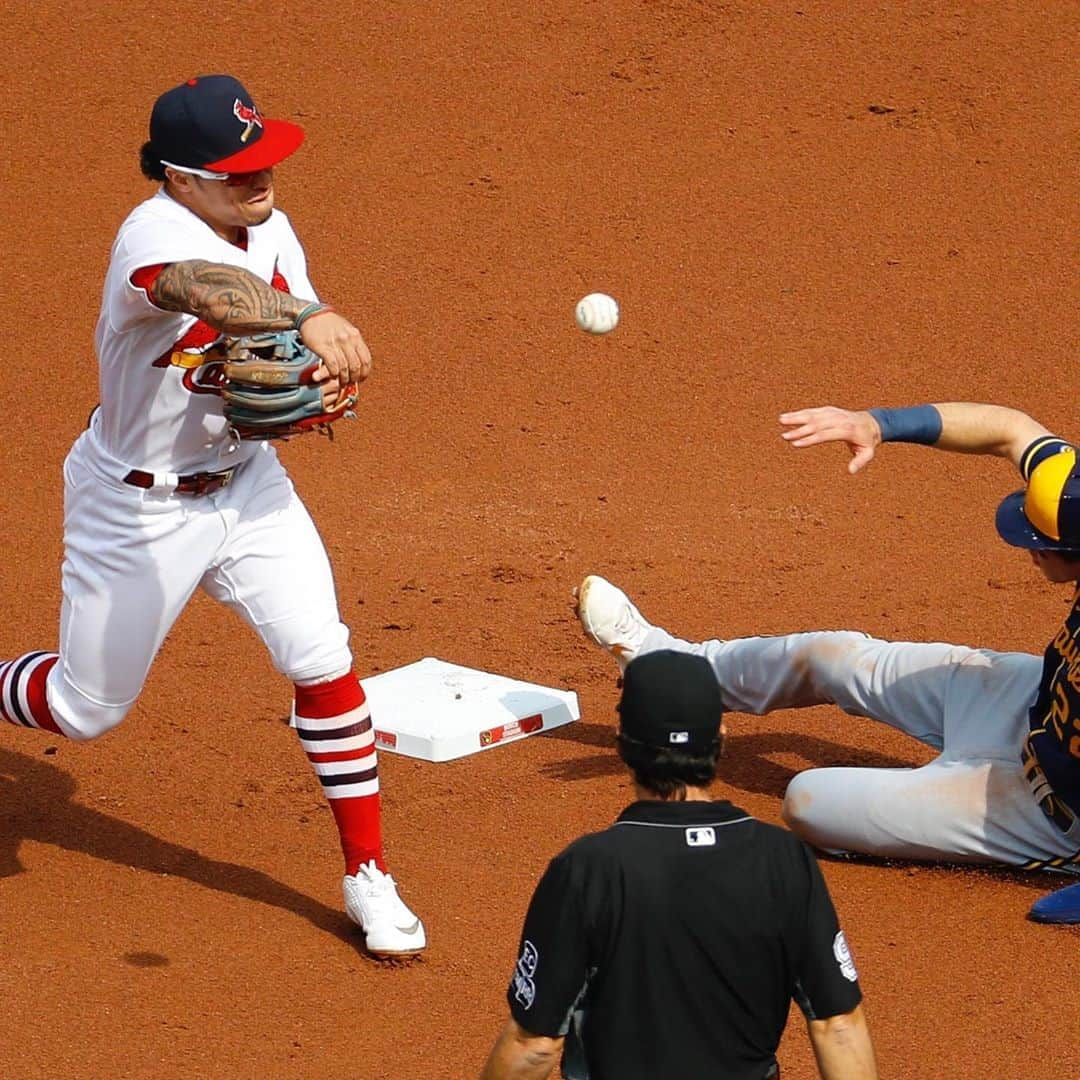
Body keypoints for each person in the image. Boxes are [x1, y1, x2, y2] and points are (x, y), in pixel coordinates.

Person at [0, 74, 424, 956]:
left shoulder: (268, 224)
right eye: (234, 171)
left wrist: (315, 369)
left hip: (247, 485)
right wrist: (310, 317)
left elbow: (274, 339)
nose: (257, 181)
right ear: (179, 176)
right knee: (85, 711)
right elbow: (206, 291)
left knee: (322, 655)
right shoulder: (149, 238)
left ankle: (368, 875)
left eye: (262, 161)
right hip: (135, 509)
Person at [574, 402, 1080, 924]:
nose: (1029, 549)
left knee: (810, 801)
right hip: (1027, 701)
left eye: (1042, 543)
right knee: (832, 656)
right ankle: (675, 665)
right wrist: (879, 425)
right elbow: (1012, 430)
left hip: (1046, 809)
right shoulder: (1071, 487)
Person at [481, 650, 878, 1080]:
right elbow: (839, 1025)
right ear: (721, 740)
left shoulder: (588, 869)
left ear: (622, 744)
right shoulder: (783, 861)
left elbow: (534, 1046)